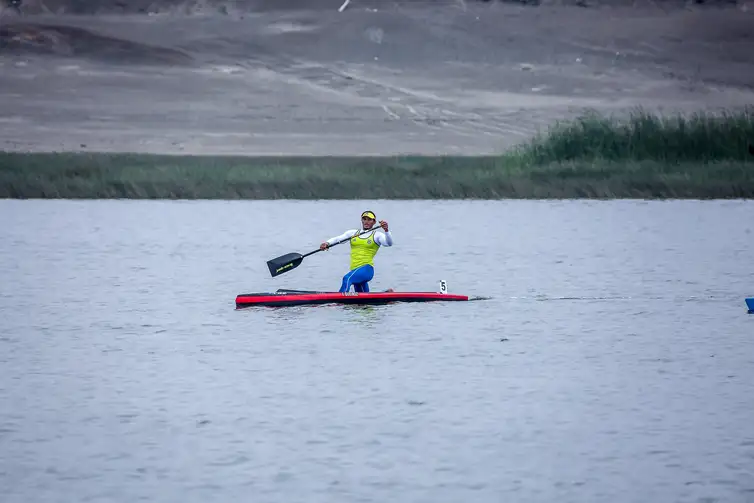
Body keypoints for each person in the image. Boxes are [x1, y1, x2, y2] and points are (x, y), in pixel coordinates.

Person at [320, 210, 393, 293]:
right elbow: (338, 239)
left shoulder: (377, 235)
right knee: (362, 299)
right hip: (354, 269)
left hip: (366, 269)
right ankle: (385, 294)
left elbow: (388, 243)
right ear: (361, 220)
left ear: (374, 222)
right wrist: (327, 243)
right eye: (364, 219)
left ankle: (338, 302)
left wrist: (386, 230)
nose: (366, 221)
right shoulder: (353, 233)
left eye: (369, 219)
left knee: (347, 278)